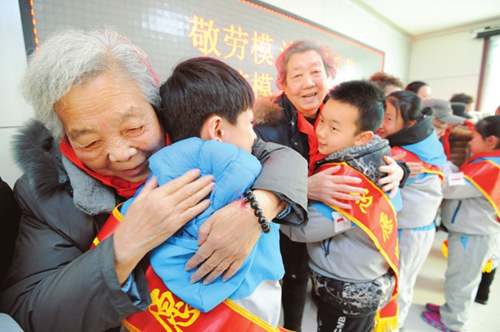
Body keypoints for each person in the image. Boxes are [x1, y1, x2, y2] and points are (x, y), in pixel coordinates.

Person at [0, 27, 306, 332]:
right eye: (91, 142)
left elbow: (273, 154)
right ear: (65, 137)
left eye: (133, 128)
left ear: (156, 108)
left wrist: (259, 207)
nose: (120, 154)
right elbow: (30, 311)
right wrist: (125, 244)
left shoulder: (190, 132)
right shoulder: (43, 196)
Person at [112, 56, 306, 329]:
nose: (256, 138)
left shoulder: (152, 187)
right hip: (248, 311)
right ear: (217, 129)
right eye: (249, 124)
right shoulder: (248, 175)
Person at [253, 39, 407, 332]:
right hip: (285, 231)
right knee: (285, 290)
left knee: (309, 293)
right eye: (296, 75)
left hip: (328, 248)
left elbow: (377, 152)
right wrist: (304, 187)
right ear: (283, 83)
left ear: (328, 75)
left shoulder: (344, 109)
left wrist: (400, 170)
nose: (308, 82)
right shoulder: (266, 127)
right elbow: (254, 181)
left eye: (315, 71)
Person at [281, 80, 401, 332]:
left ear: (363, 137)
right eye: (322, 120)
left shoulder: (347, 184)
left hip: (348, 289)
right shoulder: (378, 158)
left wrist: (274, 202)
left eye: (334, 128)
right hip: (364, 276)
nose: (321, 132)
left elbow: (299, 230)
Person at [422, 116, 500, 332]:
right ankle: (450, 309)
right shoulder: (489, 161)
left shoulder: (490, 166)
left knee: (462, 281)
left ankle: (452, 322)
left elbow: (450, 186)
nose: (469, 141)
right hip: (474, 231)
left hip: (474, 235)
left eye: (474, 137)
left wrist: (441, 164)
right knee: (460, 276)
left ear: (491, 140)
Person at [378, 91, 447, 330]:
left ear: (410, 124)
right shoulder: (428, 142)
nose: (381, 124)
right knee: (406, 281)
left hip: (407, 232)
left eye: (388, 118)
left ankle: (392, 326)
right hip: (420, 229)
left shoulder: (400, 154)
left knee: (399, 284)